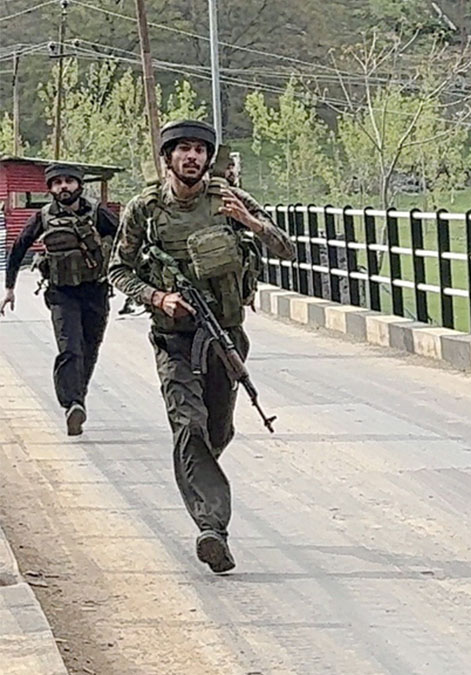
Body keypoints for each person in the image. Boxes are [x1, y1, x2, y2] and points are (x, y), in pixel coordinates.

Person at [108, 120, 295, 573]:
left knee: (217, 430)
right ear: (168, 158)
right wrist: (158, 298)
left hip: (226, 336)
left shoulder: (227, 200)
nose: (192, 157)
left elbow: (286, 249)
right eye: (183, 150)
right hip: (175, 339)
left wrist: (248, 222)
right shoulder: (145, 209)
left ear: (208, 158)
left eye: (199, 150)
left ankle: (197, 476)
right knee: (189, 425)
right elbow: (118, 269)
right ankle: (213, 528)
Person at [2, 164, 117, 436]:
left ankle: (79, 398)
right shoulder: (43, 217)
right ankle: (72, 404)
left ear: (79, 185)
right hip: (61, 294)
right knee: (70, 348)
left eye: (68, 181)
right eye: (57, 183)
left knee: (89, 349)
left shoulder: (97, 213)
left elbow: (127, 239)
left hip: (95, 291)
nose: (63, 187)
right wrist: (9, 288)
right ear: (50, 188)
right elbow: (18, 248)